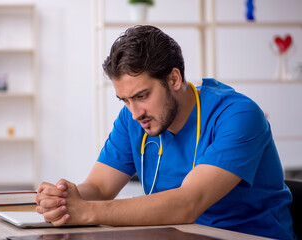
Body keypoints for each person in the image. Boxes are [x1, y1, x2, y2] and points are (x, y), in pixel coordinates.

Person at [36, 25, 296, 240]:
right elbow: (100, 187)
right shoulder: (133, 118)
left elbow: (187, 204)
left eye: (142, 95)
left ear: (174, 79)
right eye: (124, 100)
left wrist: (87, 212)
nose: (135, 112)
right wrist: (65, 201)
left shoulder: (238, 115)